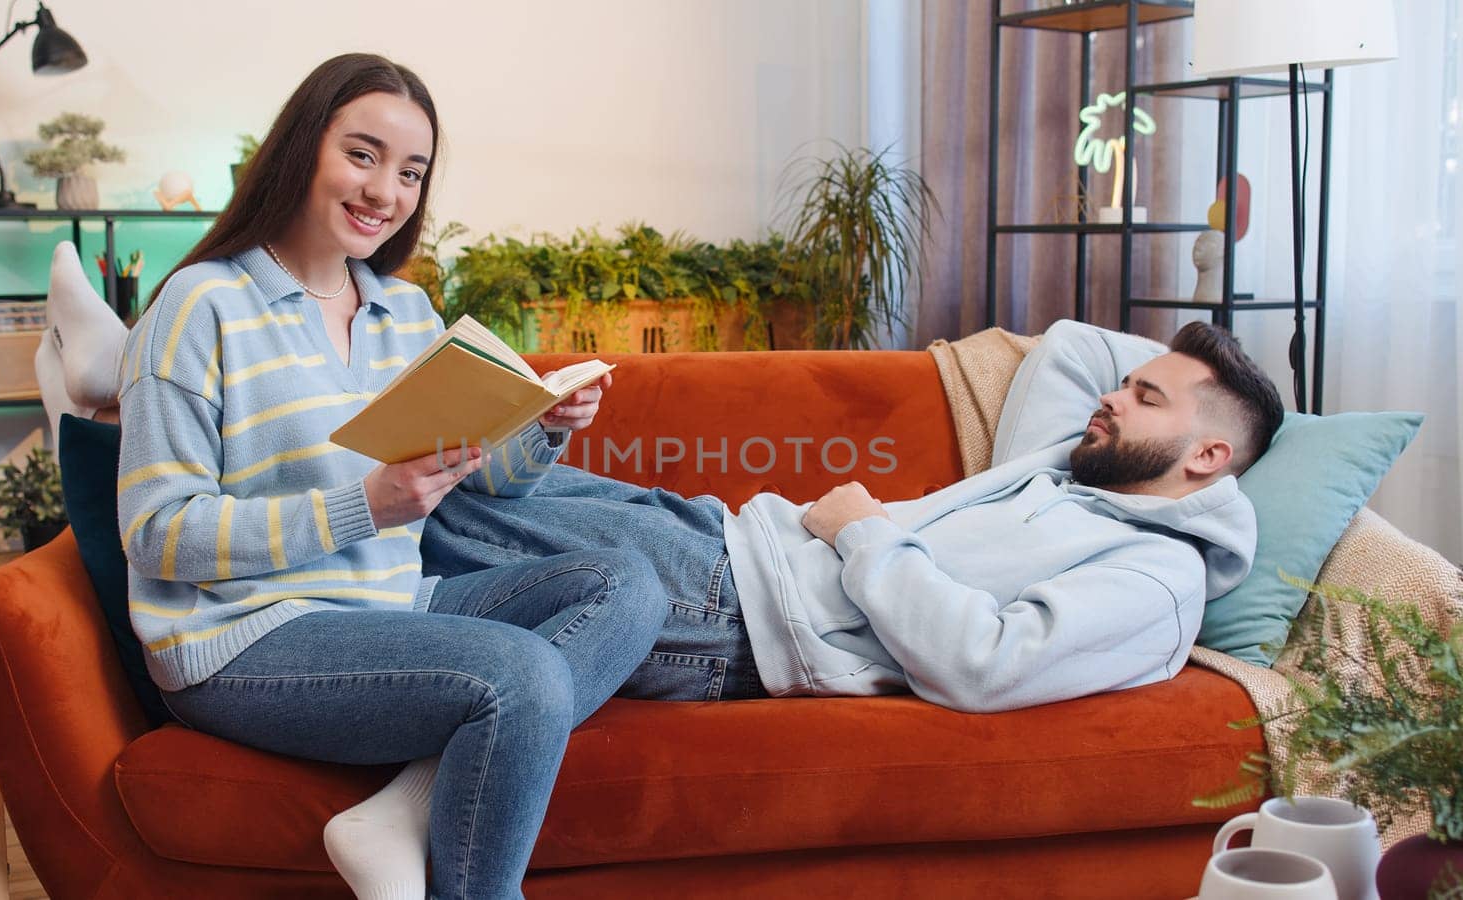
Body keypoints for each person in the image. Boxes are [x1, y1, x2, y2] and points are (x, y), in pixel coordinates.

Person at [113, 54, 663, 900]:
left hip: (390, 606)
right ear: (303, 148)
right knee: (521, 675)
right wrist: (360, 507)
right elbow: (158, 533)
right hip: (244, 637)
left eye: (410, 172)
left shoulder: (405, 311)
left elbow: (485, 480)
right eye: (362, 155)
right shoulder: (200, 305)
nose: (385, 192)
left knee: (629, 584)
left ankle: (403, 809)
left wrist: (543, 429)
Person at [421, 319, 1285, 713]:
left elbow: (985, 665)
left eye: (1144, 396)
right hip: (728, 540)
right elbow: (1068, 343)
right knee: (479, 479)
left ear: (1208, 458)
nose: (1109, 395)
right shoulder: (1081, 468)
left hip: (736, 615)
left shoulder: (1157, 579)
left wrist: (862, 531)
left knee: (441, 508)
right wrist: (1181, 369)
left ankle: (299, 593)